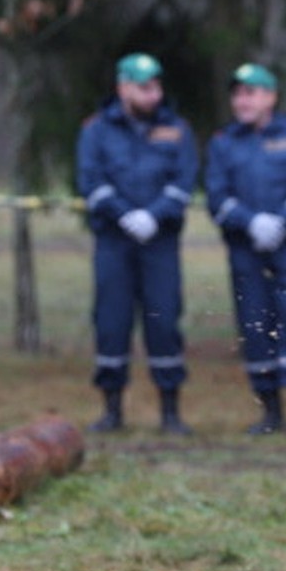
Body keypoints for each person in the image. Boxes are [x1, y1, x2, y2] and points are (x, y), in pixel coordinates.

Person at [205, 62, 286, 436]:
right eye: (238, 93)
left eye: (252, 92)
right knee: (255, 325)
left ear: (270, 96)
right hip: (246, 251)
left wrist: (280, 222)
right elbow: (217, 195)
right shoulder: (224, 142)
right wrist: (250, 223)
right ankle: (270, 412)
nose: (243, 100)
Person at [76, 53, 199, 434]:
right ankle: (112, 410)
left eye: (156, 86)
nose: (153, 95)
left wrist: (155, 215)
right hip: (114, 243)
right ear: (123, 87)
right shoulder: (96, 130)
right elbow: (91, 181)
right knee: (111, 323)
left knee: (164, 321)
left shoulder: (177, 130)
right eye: (144, 87)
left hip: (159, 244)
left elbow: (183, 181)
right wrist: (124, 214)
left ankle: (170, 412)